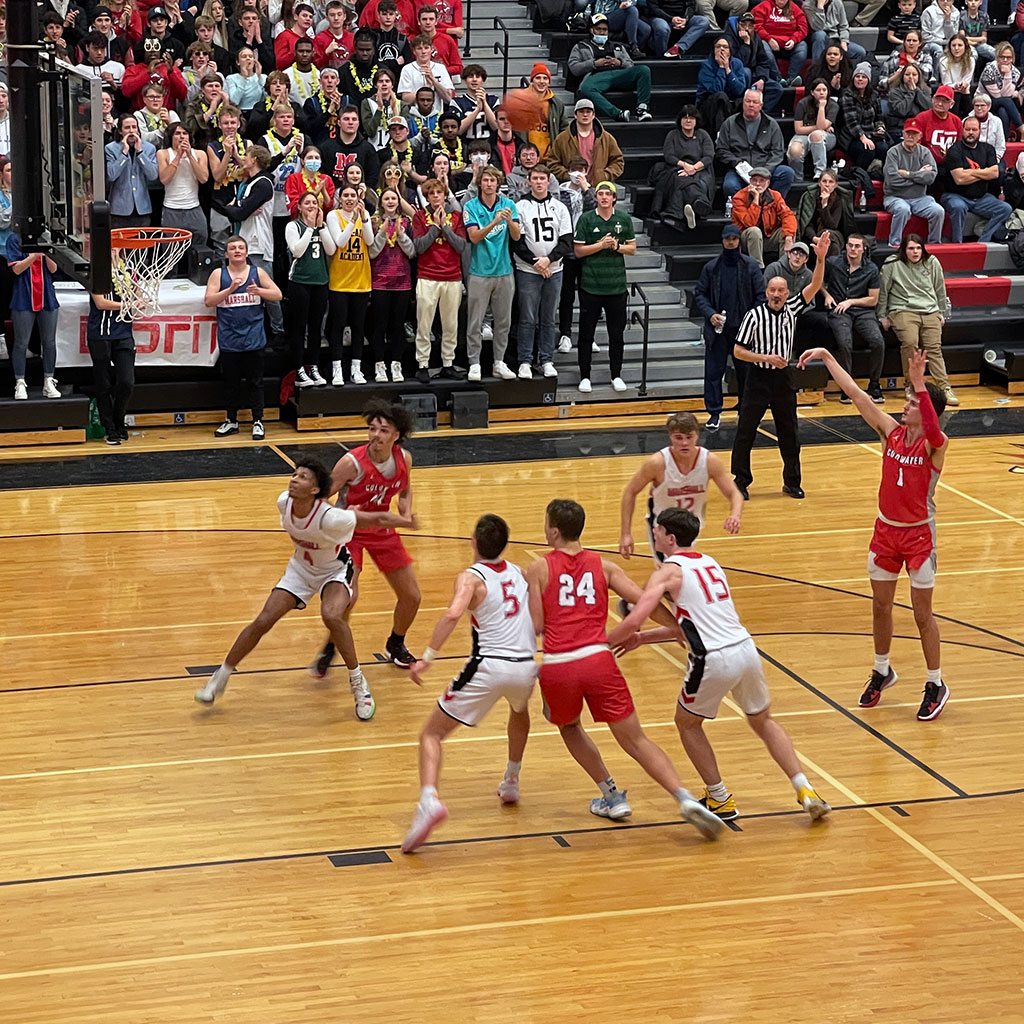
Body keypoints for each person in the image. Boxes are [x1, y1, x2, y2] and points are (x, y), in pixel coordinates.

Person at [607, 508, 831, 820]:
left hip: (713, 659)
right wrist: (644, 640)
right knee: (763, 720)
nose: (653, 534)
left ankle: (719, 798)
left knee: (686, 723)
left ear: (670, 538)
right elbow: (696, 625)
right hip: (745, 649)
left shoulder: (668, 571)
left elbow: (639, 612)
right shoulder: (710, 562)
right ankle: (805, 787)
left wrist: (607, 641)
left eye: (657, 530)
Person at [524, 499, 722, 837]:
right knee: (635, 738)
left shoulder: (538, 568)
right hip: (600, 660)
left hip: (560, 664)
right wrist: (677, 629)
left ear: (554, 531)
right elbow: (647, 600)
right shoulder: (605, 567)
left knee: (570, 727)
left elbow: (537, 625)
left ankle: (611, 795)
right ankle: (684, 797)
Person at [194, 457, 418, 720]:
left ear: (315, 490)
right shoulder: (283, 503)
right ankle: (218, 680)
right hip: (300, 570)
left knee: (332, 616)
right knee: (263, 620)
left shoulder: (332, 519)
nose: (294, 479)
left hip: (334, 570)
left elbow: (375, 518)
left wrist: (405, 521)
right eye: (294, 474)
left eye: (302, 477)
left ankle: (359, 685)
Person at [796, 346, 951, 721]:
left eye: (912, 402)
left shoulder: (936, 445)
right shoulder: (891, 431)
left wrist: (919, 382)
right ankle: (882, 670)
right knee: (880, 605)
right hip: (885, 532)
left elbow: (931, 427)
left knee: (921, 613)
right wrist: (827, 357)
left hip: (917, 538)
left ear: (928, 409)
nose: (904, 406)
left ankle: (936, 682)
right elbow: (857, 395)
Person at [401, 514, 537, 853]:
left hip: (490, 666)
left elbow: (451, 614)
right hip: (527, 667)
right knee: (519, 711)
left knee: (431, 734)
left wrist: (426, 658)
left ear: (473, 541)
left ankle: (428, 800)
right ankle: (512, 780)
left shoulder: (471, 578)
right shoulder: (520, 573)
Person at [311, 399, 422, 673]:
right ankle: (332, 644)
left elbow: (405, 490)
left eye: (383, 430)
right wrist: (336, 520)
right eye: (372, 429)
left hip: (382, 528)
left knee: (412, 596)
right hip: (349, 532)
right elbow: (323, 499)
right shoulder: (351, 463)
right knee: (349, 596)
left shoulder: (404, 459)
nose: (375, 435)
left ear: (396, 435)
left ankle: (396, 644)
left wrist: (406, 513)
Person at [730, 231, 831, 500]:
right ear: (767, 292)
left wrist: (820, 259)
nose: (776, 294)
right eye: (772, 290)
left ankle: (792, 481)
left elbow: (815, 284)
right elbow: (738, 351)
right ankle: (740, 480)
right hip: (758, 378)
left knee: (789, 431)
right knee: (746, 430)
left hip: (783, 379)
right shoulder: (754, 315)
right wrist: (765, 358)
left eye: (781, 291)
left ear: (787, 293)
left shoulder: (794, 308)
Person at [619, 412, 743, 570]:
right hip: (662, 527)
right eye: (678, 438)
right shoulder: (657, 463)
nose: (684, 443)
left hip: (692, 526)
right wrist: (625, 534)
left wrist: (735, 515)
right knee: (671, 571)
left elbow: (734, 493)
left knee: (673, 575)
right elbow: (630, 492)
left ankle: (644, 595)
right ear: (671, 437)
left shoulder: (709, 461)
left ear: (697, 435)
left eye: (689, 437)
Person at [206, 235, 283, 440]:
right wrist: (230, 289)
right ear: (226, 253)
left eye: (241, 247)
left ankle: (257, 420)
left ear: (247, 253)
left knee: (255, 382)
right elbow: (208, 300)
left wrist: (259, 290)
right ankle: (231, 420)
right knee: (231, 383)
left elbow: (277, 295)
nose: (237, 251)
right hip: (229, 339)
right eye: (233, 248)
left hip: (253, 337)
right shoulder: (218, 274)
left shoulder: (257, 272)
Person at [693, 223, 764, 430]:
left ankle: (746, 410)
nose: (731, 242)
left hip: (744, 331)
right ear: (723, 241)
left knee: (746, 373)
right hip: (718, 331)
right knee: (713, 372)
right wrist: (710, 314)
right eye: (727, 239)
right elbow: (700, 294)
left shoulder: (750, 267)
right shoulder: (711, 267)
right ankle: (714, 413)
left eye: (734, 238)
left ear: (739, 240)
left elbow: (760, 297)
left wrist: (750, 321)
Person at [216, 144, 286, 344]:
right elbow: (240, 211)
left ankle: (278, 330)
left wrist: (234, 206)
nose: (242, 158)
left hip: (258, 243)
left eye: (245, 155)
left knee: (266, 287)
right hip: (244, 238)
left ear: (254, 159)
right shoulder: (249, 182)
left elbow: (239, 213)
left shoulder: (263, 183)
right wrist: (238, 207)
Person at [877, 234, 958, 406]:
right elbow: (883, 290)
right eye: (911, 248)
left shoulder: (932, 262)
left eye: (918, 248)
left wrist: (941, 312)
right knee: (910, 342)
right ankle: (911, 385)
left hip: (929, 309)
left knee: (934, 347)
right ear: (904, 250)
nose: (915, 252)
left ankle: (944, 387)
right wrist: (882, 315)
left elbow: (939, 288)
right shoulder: (893, 264)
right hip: (903, 309)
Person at [573, 180, 635, 394]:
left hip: (616, 287)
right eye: (601, 194)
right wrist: (601, 245)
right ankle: (585, 376)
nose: (604, 197)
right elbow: (579, 251)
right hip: (591, 285)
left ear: (614, 198)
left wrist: (617, 246)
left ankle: (616, 375)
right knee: (586, 334)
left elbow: (633, 249)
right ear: (596, 197)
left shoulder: (624, 219)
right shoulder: (586, 219)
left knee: (616, 335)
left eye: (608, 194)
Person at [514, 165, 572, 380]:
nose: (539, 182)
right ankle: (525, 361)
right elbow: (517, 242)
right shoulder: (520, 207)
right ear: (528, 181)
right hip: (527, 270)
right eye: (535, 178)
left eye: (542, 178)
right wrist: (537, 263)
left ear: (549, 181)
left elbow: (566, 242)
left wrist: (548, 260)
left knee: (548, 318)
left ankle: (547, 359)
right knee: (527, 318)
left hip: (555, 270)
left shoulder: (560, 207)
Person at [463, 164, 520, 383]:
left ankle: (499, 362)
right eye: (485, 180)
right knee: (475, 322)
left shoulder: (509, 204)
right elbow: (474, 237)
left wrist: (508, 222)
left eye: (492, 181)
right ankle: (474, 363)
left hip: (504, 271)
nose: (488, 184)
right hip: (479, 272)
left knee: (503, 322)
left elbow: (515, 237)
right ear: (480, 183)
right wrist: (495, 222)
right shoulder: (471, 206)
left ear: (498, 184)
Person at [411, 176, 467, 383]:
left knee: (451, 325)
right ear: (427, 197)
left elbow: (461, 246)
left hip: (452, 277)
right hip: (427, 276)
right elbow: (419, 247)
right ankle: (423, 364)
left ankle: (448, 364)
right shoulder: (419, 217)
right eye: (431, 193)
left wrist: (446, 226)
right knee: (424, 324)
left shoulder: (457, 217)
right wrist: (435, 226)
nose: (436, 196)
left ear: (445, 195)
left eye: (439, 193)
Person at [822, 233, 886, 403]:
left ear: (864, 249)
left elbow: (873, 299)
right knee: (844, 343)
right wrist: (826, 295)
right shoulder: (834, 263)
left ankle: (874, 385)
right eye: (850, 245)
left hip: (862, 310)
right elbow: (818, 281)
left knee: (878, 341)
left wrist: (851, 301)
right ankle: (847, 386)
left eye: (857, 246)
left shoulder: (871, 269)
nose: (853, 249)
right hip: (839, 310)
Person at [288, 191, 335, 388]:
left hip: (320, 282)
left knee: (316, 329)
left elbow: (331, 250)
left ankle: (313, 367)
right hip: (299, 282)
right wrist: (309, 228)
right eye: (307, 203)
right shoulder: (293, 226)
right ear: (299, 207)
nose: (311, 206)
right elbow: (297, 250)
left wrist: (321, 227)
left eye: (314, 203)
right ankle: (299, 369)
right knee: (299, 329)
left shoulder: (322, 227)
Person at [367, 187, 414, 382]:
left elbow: (412, 252)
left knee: (397, 326)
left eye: (393, 198)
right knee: (379, 325)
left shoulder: (406, 222)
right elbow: (371, 253)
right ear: (381, 203)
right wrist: (382, 233)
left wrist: (401, 235)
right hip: (380, 281)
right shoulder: (374, 221)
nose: (390, 202)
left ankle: (396, 365)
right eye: (386, 199)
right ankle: (379, 365)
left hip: (402, 281)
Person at [716, 88, 795, 200]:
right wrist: (736, 162)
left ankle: (770, 205)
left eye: (755, 102)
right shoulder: (729, 123)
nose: (751, 105)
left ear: (761, 105)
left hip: (765, 167)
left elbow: (777, 152)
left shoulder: (771, 124)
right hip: (739, 169)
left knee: (787, 173)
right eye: (748, 101)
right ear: (743, 103)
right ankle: (742, 212)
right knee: (730, 185)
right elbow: (721, 150)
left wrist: (765, 171)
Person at [7, 233, 60, 401]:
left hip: (47, 295)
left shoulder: (47, 237)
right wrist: (35, 254)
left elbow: (53, 269)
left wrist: (47, 250)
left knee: (49, 342)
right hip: (24, 294)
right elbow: (16, 269)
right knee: (21, 342)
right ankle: (20, 382)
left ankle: (49, 380)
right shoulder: (14, 239)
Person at [941, 115, 1011, 243]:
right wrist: (983, 172)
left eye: (974, 130)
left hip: (981, 198)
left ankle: (983, 241)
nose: (971, 133)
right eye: (967, 129)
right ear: (962, 130)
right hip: (955, 195)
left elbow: (995, 173)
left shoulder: (988, 149)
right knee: (958, 207)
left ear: (980, 131)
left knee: (1005, 209)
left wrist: (971, 172)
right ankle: (957, 243)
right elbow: (959, 179)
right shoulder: (954, 150)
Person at [649, 104, 713, 230]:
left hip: (700, 169)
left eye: (691, 118)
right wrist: (685, 165)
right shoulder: (672, 135)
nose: (688, 121)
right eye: (685, 117)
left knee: (685, 181)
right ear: (680, 120)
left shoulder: (703, 135)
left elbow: (708, 157)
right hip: (676, 167)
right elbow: (669, 156)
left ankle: (677, 213)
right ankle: (698, 204)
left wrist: (693, 168)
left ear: (696, 120)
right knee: (680, 178)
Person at [882, 118, 943, 249]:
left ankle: (934, 245)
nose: (910, 136)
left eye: (914, 134)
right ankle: (894, 243)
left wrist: (909, 174)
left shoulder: (925, 152)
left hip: (920, 198)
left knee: (938, 211)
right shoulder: (893, 152)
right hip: (895, 197)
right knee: (903, 209)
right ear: (902, 134)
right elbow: (892, 180)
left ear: (919, 136)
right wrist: (919, 175)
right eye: (908, 133)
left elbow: (931, 177)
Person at [87, 283, 135, 445]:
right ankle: (110, 427)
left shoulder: (129, 271)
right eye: (109, 253)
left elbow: (139, 294)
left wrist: (141, 301)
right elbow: (101, 303)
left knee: (127, 381)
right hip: (100, 334)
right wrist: (128, 305)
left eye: (115, 253)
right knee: (103, 383)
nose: (112, 254)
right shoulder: (95, 274)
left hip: (124, 333)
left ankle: (119, 419)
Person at [730, 165, 797, 269]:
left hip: (768, 237)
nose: (757, 184)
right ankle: (758, 269)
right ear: (750, 182)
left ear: (768, 183)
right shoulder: (739, 197)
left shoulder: (775, 196)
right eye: (754, 180)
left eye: (762, 181)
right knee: (754, 231)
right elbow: (749, 223)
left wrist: (788, 237)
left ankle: (784, 268)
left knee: (787, 231)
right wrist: (755, 199)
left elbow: (788, 215)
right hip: (746, 240)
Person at [547, 98, 624, 189]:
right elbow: (552, 163)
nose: (585, 114)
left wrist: (604, 175)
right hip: (572, 190)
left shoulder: (606, 138)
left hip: (597, 189)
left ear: (593, 115)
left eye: (588, 111)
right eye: (581, 111)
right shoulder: (562, 139)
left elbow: (618, 162)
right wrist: (569, 176)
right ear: (575, 115)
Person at [158, 123, 210, 248]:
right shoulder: (163, 153)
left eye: (185, 133)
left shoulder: (200, 154)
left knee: (199, 252)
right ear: (171, 137)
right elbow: (164, 179)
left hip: (194, 208)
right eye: (177, 133)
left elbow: (203, 178)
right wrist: (178, 157)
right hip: (171, 210)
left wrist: (190, 156)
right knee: (170, 253)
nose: (182, 137)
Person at [105, 114, 159, 228]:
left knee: (141, 245)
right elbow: (112, 175)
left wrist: (140, 153)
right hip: (119, 210)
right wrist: (124, 153)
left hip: (142, 209)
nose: (131, 131)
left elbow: (153, 175)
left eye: (134, 127)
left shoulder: (149, 148)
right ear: (120, 131)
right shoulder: (111, 148)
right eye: (127, 128)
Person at [838, 63, 888, 173]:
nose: (860, 79)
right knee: (867, 150)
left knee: (884, 148)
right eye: (857, 76)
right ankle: (858, 174)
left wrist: (880, 128)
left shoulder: (874, 95)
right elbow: (851, 122)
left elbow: (879, 117)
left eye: (863, 77)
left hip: (871, 134)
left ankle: (878, 175)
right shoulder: (847, 95)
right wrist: (863, 137)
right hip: (852, 137)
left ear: (868, 80)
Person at [796, 167, 855, 256]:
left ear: (835, 185)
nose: (827, 185)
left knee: (827, 234)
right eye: (824, 181)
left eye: (831, 182)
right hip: (813, 235)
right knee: (832, 246)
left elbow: (832, 225)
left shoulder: (839, 199)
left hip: (835, 235)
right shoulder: (810, 197)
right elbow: (806, 223)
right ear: (819, 183)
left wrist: (824, 205)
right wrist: (814, 238)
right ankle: (832, 268)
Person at [787, 77, 838, 180]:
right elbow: (798, 129)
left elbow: (820, 129)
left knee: (816, 135)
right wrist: (822, 127)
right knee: (794, 150)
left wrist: (822, 108)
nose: (822, 93)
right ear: (812, 92)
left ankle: (820, 173)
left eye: (824, 90)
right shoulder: (802, 104)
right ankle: (797, 179)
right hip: (803, 135)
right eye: (818, 90)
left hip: (827, 138)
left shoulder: (833, 105)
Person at [695, 36, 747, 135]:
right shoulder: (706, 65)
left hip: (730, 103)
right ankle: (720, 136)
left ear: (730, 51)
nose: (721, 49)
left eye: (725, 47)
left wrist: (728, 70)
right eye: (718, 46)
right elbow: (715, 90)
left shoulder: (737, 64)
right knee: (721, 98)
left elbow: (739, 90)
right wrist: (721, 67)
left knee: (743, 102)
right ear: (714, 50)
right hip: (708, 104)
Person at [751, 0, 809, 86]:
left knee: (802, 46)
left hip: (789, 45)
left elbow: (803, 28)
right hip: (770, 44)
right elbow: (755, 25)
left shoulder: (795, 9)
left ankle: (792, 79)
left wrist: (794, 40)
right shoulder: (763, 7)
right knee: (763, 45)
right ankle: (778, 78)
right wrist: (768, 39)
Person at [980, 42, 1024, 138]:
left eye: (1008, 58)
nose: (1005, 60)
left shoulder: (1015, 72)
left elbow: (1006, 95)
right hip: (984, 100)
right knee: (1006, 102)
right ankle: (1021, 128)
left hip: (1003, 103)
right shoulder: (989, 70)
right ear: (997, 57)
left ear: (1012, 58)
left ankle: (1004, 139)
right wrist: (1008, 76)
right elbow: (998, 96)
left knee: (1003, 110)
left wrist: (1007, 74)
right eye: (1002, 57)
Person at [914, 83, 964, 169]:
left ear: (951, 104)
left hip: (951, 166)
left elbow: (960, 146)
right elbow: (915, 145)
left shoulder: (957, 121)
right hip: (926, 165)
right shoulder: (921, 118)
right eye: (937, 99)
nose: (940, 104)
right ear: (932, 99)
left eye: (944, 101)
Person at [644, 0, 711, 57]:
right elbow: (653, 8)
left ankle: (678, 48)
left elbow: (691, 6)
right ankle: (662, 56)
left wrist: (685, 18)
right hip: (661, 17)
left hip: (681, 18)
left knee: (703, 21)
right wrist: (671, 19)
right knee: (662, 28)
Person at [885, 63, 932, 137]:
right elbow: (901, 111)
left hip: (920, 127)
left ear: (919, 77)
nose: (911, 77)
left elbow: (929, 107)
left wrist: (917, 91)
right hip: (900, 128)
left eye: (914, 75)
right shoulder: (894, 92)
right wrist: (911, 93)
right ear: (902, 76)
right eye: (907, 74)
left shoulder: (925, 90)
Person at [939, 34, 975, 118]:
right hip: (949, 90)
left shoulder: (971, 60)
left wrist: (963, 85)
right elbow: (946, 82)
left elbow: (967, 79)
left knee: (965, 95)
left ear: (965, 47)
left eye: (960, 45)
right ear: (950, 47)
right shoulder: (943, 61)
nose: (956, 48)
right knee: (956, 96)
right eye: (954, 45)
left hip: (965, 90)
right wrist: (956, 86)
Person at [972, 92, 1005, 163]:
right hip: (972, 158)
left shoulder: (997, 121)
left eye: (982, 105)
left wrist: (995, 159)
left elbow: (1000, 145)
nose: (979, 108)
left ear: (989, 107)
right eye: (976, 105)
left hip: (993, 157)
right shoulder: (966, 121)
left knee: (1000, 171)